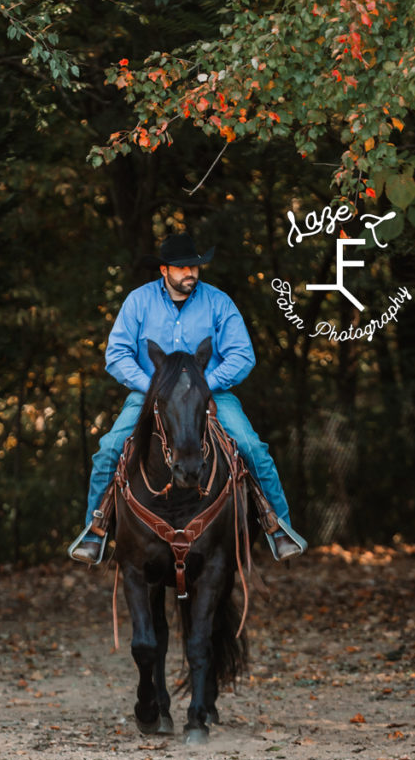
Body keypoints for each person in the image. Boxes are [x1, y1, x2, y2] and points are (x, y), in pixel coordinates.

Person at [69, 233, 307, 564]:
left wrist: (201, 386)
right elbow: (116, 354)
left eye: (195, 267)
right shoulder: (139, 302)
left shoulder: (219, 302)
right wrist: (156, 387)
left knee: (251, 447)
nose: (191, 274)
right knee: (110, 449)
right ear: (164, 270)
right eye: (182, 268)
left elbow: (242, 354)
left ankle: (277, 527)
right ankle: (95, 532)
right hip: (149, 397)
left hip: (212, 395)